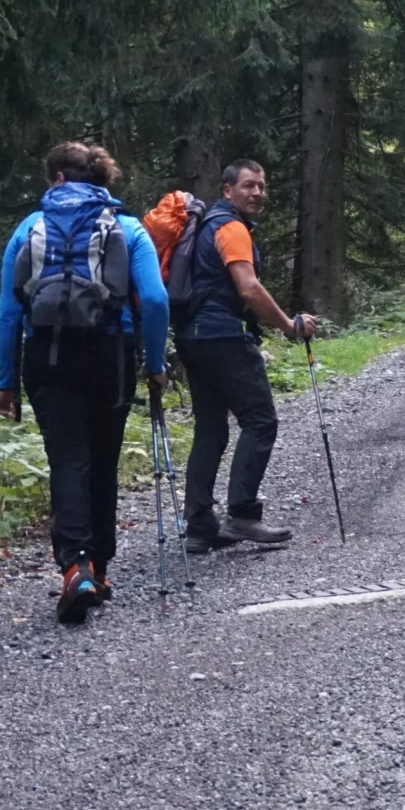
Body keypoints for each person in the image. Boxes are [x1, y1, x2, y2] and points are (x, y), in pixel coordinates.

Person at [0, 142, 169, 625]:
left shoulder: (28, 228)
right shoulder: (127, 228)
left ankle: (76, 567)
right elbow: (153, 301)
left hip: (46, 357)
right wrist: (154, 364)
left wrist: (5, 384)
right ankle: (102, 567)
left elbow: (10, 312)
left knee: (67, 459)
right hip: (109, 355)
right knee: (102, 462)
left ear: (55, 179)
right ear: (102, 180)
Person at [169, 160, 318, 554]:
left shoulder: (203, 227)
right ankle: (242, 515)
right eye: (249, 186)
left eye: (262, 187)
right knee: (260, 421)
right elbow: (248, 289)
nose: (257, 193)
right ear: (227, 190)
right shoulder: (230, 228)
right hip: (224, 339)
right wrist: (290, 326)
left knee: (211, 430)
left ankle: (200, 527)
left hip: (192, 338)